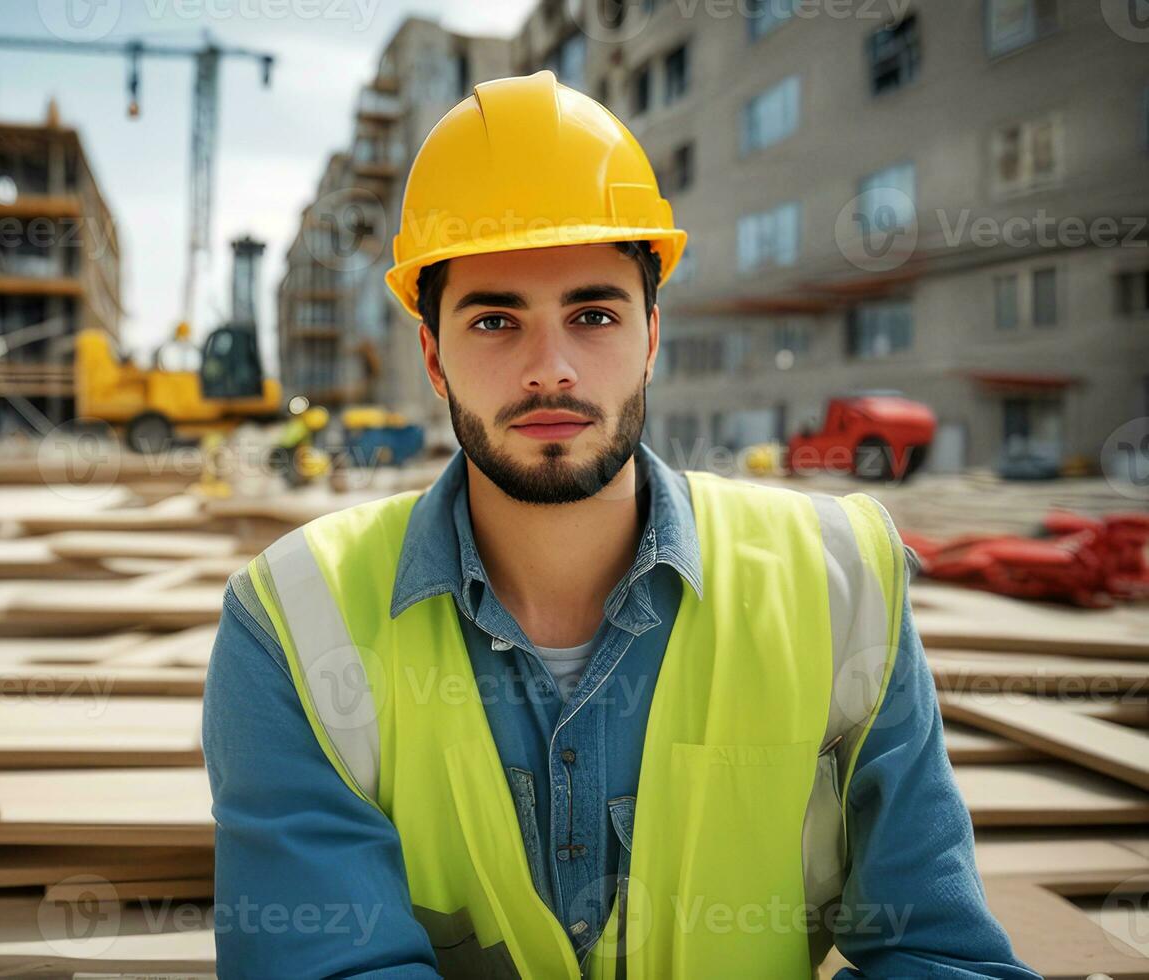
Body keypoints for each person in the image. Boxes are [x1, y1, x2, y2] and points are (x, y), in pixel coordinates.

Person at [202, 69, 1037, 978]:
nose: (550, 368)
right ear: (434, 358)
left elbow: (944, 957)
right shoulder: (291, 623)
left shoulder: (841, 582)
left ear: (650, 339)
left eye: (593, 314)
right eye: (495, 320)